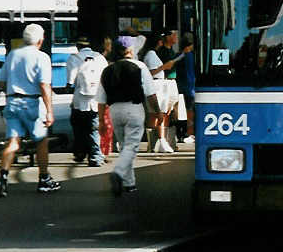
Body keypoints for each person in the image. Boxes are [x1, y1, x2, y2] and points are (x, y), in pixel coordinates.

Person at [0, 23, 61, 197]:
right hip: (31, 103)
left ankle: (2, 178)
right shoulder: (42, 57)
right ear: (40, 40)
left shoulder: (12, 55)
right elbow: (44, 86)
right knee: (41, 141)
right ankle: (44, 179)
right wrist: (49, 110)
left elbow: (1, 81)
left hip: (12, 102)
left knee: (13, 142)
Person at [96, 35, 159, 196]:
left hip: (115, 111)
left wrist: (102, 120)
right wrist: (157, 111)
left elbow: (101, 99)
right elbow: (150, 93)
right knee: (131, 147)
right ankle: (118, 172)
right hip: (134, 109)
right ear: (130, 50)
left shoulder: (108, 70)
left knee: (125, 147)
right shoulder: (139, 67)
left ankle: (130, 183)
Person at [66, 35, 109, 166]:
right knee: (94, 128)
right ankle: (96, 156)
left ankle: (80, 152)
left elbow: (70, 82)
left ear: (78, 46)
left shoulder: (74, 58)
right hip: (97, 100)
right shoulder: (100, 58)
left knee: (78, 126)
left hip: (80, 101)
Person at [174, 32, 196, 144]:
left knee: (181, 112)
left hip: (180, 87)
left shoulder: (179, 55)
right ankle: (190, 133)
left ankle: (181, 133)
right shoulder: (191, 56)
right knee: (190, 112)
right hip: (190, 88)